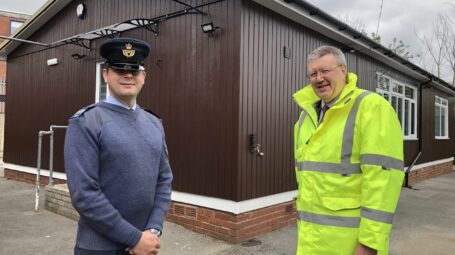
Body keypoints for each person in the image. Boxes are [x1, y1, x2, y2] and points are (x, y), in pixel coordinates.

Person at [64, 37, 173, 255]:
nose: (128, 75)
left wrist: (153, 230)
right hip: (99, 248)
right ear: (106, 74)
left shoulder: (154, 123)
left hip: (145, 244)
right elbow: (84, 194)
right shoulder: (86, 122)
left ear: (143, 77)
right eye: (119, 69)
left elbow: (164, 180)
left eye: (134, 70)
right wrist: (134, 238)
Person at [292, 45, 404, 255]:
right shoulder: (305, 118)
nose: (318, 78)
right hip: (310, 242)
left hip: (350, 245)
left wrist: (370, 243)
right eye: (313, 74)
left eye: (325, 71)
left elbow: (383, 181)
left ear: (343, 70)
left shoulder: (371, 107)